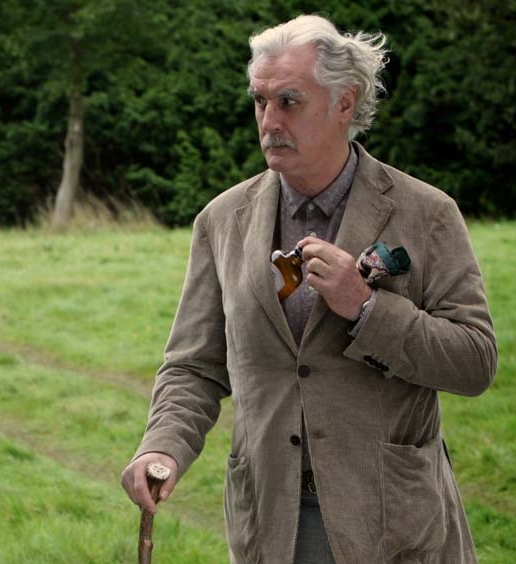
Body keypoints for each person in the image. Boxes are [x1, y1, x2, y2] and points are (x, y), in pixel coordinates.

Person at [121, 15, 496, 564]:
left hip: (393, 526)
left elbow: (475, 361)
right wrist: (163, 446)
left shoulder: (427, 214)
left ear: (345, 102)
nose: (269, 121)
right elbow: (193, 367)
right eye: (260, 101)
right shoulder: (221, 221)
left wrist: (366, 307)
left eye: (289, 102)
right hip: (270, 523)